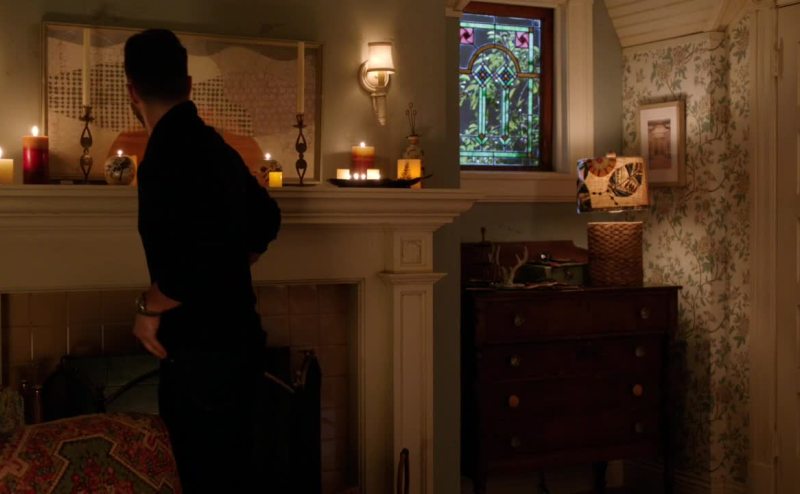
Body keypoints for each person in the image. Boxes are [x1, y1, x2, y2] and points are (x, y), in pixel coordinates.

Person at [125, 29, 281, 492]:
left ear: (132, 91)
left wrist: (147, 310)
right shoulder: (213, 146)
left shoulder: (163, 157)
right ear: (189, 84)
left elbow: (186, 272)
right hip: (240, 345)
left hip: (200, 361)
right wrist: (231, 264)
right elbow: (266, 218)